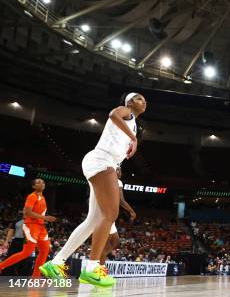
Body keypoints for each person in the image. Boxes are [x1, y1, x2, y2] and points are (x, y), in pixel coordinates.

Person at [40, 93, 146, 287]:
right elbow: (113, 114)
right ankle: (91, 268)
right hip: (100, 160)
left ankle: (56, 263)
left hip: (103, 162)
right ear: (129, 102)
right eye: (139, 98)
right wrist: (134, 139)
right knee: (110, 214)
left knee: (92, 221)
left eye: (144, 99)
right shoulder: (126, 112)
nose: (143, 101)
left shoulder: (133, 123)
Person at [0, 179, 56, 278]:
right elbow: (27, 213)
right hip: (31, 225)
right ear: (33, 186)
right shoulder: (32, 196)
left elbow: (39, 213)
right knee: (27, 252)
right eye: (38, 182)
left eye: (43, 182)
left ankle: (35, 277)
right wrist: (45, 217)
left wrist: (44, 219)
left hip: (41, 226)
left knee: (45, 250)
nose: (42, 184)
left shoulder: (42, 198)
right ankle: (1, 266)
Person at [100, 167, 137, 266]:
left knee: (115, 242)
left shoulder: (118, 182)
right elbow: (121, 200)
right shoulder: (108, 179)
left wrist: (131, 211)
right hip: (104, 213)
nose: (119, 172)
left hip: (110, 215)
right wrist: (131, 211)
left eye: (120, 170)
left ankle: (98, 264)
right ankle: (98, 270)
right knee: (105, 245)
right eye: (117, 169)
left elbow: (120, 200)